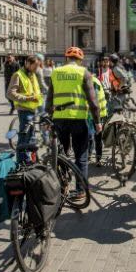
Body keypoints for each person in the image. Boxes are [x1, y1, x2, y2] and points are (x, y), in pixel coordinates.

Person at [47, 46, 101, 179]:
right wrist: (97, 122)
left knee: (61, 153)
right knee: (81, 156)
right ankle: (80, 191)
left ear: (66, 58)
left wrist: (49, 118)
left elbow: (49, 101)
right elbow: (93, 102)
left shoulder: (55, 72)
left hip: (59, 119)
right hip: (78, 119)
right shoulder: (84, 72)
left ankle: (62, 184)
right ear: (80, 60)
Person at [9, 54, 45, 165]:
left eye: (37, 67)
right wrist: (27, 98)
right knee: (24, 137)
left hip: (33, 109)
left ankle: (31, 159)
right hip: (24, 110)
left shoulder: (32, 74)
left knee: (32, 136)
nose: (36, 69)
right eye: (34, 66)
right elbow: (10, 93)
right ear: (27, 63)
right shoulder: (18, 75)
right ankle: (22, 161)